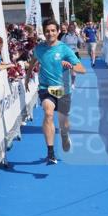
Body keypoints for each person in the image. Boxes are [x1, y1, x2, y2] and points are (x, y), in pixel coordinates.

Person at [30, 18, 86, 164]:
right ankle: (50, 153)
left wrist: (71, 66)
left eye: (53, 30)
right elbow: (33, 61)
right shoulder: (39, 48)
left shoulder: (64, 49)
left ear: (58, 32)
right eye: (47, 31)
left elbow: (82, 70)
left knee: (63, 123)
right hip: (46, 88)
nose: (50, 33)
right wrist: (27, 76)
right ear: (44, 32)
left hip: (62, 90)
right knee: (48, 113)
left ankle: (65, 134)